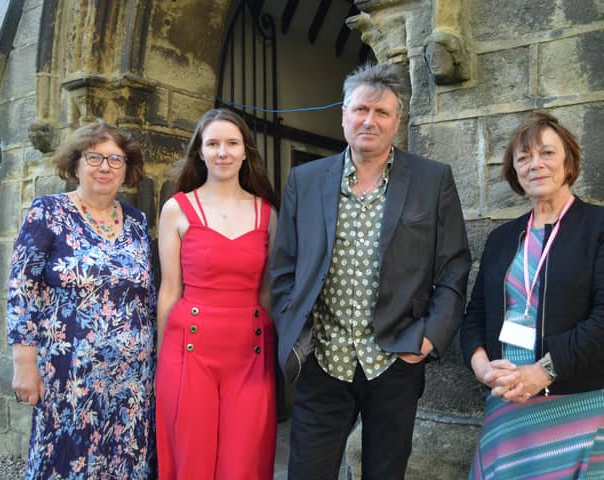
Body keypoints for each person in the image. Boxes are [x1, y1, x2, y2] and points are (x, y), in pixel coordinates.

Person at [270, 62, 471, 480]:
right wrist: (295, 334)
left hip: (395, 360)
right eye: (361, 109)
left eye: (382, 113)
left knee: (385, 472)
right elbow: (284, 269)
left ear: (397, 121)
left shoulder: (432, 180)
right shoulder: (304, 181)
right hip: (323, 360)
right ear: (343, 114)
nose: (369, 120)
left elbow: (453, 267)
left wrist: (430, 338)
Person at [7, 120, 157, 479]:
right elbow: (21, 288)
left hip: (132, 376)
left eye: (115, 159)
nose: (105, 167)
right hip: (68, 374)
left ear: (127, 169)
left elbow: (148, 296)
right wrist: (23, 363)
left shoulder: (137, 222)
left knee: (125, 460)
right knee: (64, 460)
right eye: (94, 157)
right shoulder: (48, 213)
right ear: (75, 164)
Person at [460, 111, 604, 478]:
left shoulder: (598, 227)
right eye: (523, 158)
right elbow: (475, 313)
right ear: (514, 171)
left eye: (547, 153)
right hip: (509, 406)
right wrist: (483, 368)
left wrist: (544, 371)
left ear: (568, 161)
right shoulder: (502, 238)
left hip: (580, 405)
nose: (535, 165)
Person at [155, 108, 279, 479]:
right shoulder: (176, 209)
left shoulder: (267, 213)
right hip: (188, 351)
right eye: (213, 143)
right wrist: (162, 360)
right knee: (192, 457)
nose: (222, 151)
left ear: (245, 152)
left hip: (251, 352)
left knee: (243, 461)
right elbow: (169, 289)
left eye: (231, 143)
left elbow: (268, 292)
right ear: (200, 152)